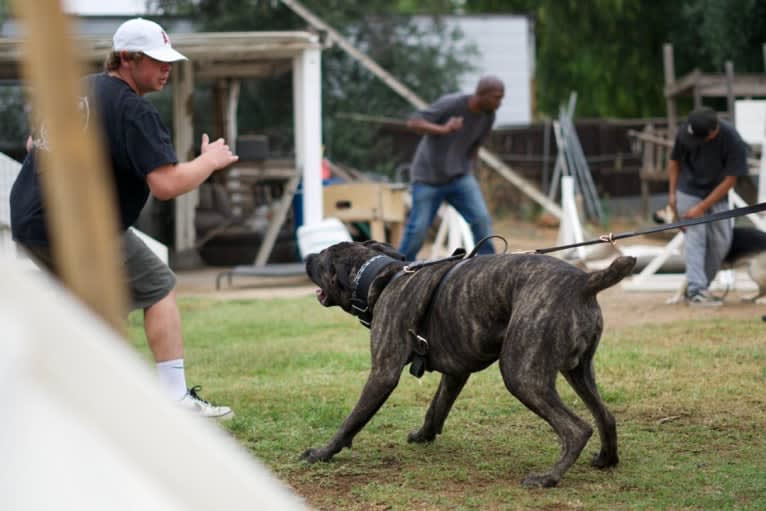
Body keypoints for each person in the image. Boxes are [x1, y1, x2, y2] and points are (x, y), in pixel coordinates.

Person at [10, 18, 239, 417]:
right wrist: (208, 161)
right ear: (127, 59)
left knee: (89, 309)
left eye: (169, 60)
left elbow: (34, 142)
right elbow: (166, 184)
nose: (167, 68)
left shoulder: (78, 89)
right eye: (156, 60)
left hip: (30, 219)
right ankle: (174, 398)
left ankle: (52, 398)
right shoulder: (132, 109)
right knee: (158, 286)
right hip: (76, 225)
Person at [397, 76, 504, 261]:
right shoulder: (452, 104)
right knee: (418, 230)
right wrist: (444, 129)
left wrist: (469, 169)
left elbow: (475, 146)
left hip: (459, 178)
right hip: (427, 179)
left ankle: (489, 264)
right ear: (481, 94)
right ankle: (399, 268)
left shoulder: (489, 116)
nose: (500, 102)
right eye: (496, 97)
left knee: (481, 220)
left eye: (501, 97)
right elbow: (413, 122)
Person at [667, 106, 748, 306]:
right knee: (696, 237)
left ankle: (700, 287)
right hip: (688, 190)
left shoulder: (732, 140)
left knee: (721, 243)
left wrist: (702, 207)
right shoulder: (687, 131)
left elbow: (730, 180)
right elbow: (674, 162)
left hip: (718, 193)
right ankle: (697, 290)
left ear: (713, 132)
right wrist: (672, 194)